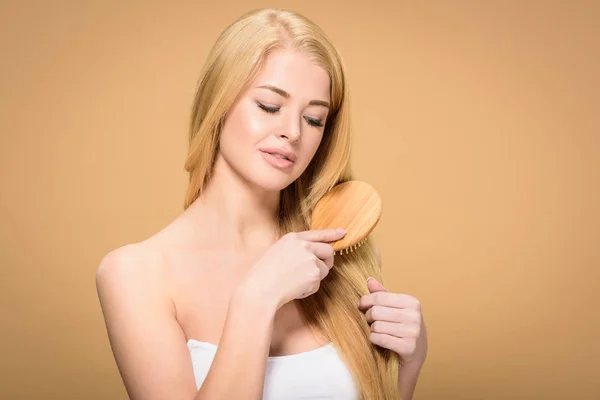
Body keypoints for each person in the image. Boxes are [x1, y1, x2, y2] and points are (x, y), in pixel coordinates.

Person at [96, 7, 427, 400]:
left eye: (314, 119)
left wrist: (405, 369)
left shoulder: (341, 254)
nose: (292, 132)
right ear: (219, 104)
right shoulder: (134, 275)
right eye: (270, 106)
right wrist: (256, 300)